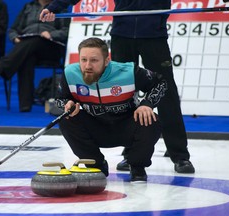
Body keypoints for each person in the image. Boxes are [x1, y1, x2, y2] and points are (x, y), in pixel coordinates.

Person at [40, 0, 195, 174]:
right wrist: (54, 7)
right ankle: (130, 155)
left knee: (167, 93)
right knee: (124, 93)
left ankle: (180, 156)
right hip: (122, 34)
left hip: (154, 35)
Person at [55, 37, 167, 182]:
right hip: (96, 127)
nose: (87, 65)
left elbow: (161, 83)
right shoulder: (70, 73)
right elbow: (59, 99)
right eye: (83, 60)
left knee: (151, 120)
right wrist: (68, 104)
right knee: (66, 119)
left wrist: (147, 104)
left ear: (106, 61)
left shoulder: (128, 72)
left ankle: (137, 166)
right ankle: (95, 165)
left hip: (127, 126)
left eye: (94, 60)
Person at [0, 0, 70, 112]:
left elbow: (67, 31)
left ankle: (5, 65)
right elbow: (13, 29)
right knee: (27, 58)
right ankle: (25, 104)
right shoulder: (28, 7)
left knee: (37, 39)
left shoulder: (60, 6)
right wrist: (15, 38)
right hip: (27, 47)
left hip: (51, 47)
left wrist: (52, 34)